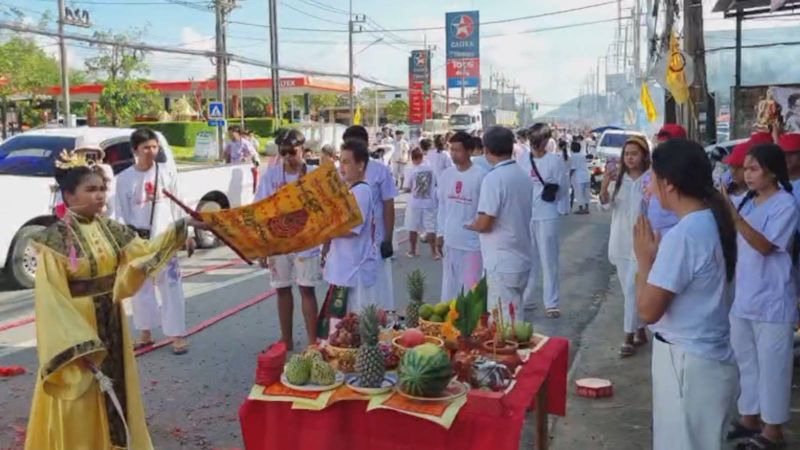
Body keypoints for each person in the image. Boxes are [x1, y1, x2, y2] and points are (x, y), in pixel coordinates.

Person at [25, 147, 206, 450]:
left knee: (116, 391)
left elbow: (144, 251)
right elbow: (50, 299)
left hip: (111, 319)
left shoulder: (110, 229)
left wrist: (182, 227)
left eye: (102, 189)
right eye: (90, 189)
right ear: (68, 196)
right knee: (80, 400)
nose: (99, 195)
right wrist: (76, 344)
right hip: (77, 332)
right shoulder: (54, 240)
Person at [633, 138, 739, 450]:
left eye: (652, 179)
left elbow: (648, 310)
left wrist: (644, 260)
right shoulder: (711, 221)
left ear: (669, 184)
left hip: (688, 363)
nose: (649, 188)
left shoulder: (686, 234)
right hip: (703, 358)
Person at [725, 143, 798, 450]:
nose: (747, 174)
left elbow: (765, 245)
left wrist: (734, 217)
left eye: (753, 169)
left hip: (772, 300)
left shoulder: (785, 205)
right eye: (746, 168)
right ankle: (749, 417)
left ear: (771, 171)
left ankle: (773, 430)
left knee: (773, 366)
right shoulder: (749, 202)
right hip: (745, 296)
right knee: (747, 361)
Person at [115, 128, 192, 355]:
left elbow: (179, 205)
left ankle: (177, 335)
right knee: (141, 290)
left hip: (165, 239)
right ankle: (145, 332)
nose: (151, 151)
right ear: (134, 150)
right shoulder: (124, 179)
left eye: (154, 147)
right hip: (138, 243)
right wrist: (125, 243)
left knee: (170, 287)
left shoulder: (166, 174)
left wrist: (183, 235)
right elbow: (121, 213)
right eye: (146, 147)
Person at [254, 129, 320, 350]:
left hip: (306, 241)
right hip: (279, 242)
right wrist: (262, 247)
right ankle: (287, 340)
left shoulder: (314, 175)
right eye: (283, 153)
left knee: (306, 289)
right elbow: (260, 211)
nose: (288, 157)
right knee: (282, 289)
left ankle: (313, 342)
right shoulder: (271, 176)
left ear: (303, 150)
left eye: (292, 152)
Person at [466, 126, 533, 320]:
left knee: (503, 323)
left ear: (486, 150)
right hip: (521, 255)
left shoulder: (494, 179)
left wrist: (472, 225)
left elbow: (485, 222)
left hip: (502, 261)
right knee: (515, 315)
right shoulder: (522, 175)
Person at [600, 136, 650, 357]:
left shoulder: (650, 180)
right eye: (627, 154)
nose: (630, 158)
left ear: (644, 156)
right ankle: (640, 328)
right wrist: (604, 185)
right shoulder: (618, 179)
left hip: (642, 242)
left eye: (634, 153)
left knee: (632, 289)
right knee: (628, 289)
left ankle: (628, 336)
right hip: (620, 242)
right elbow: (605, 205)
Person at [342, 125, 397, 311]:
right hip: (348, 243)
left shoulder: (380, 171)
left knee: (377, 288)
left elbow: (388, 205)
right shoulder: (341, 171)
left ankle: (380, 327)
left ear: (366, 145)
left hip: (375, 240)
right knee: (351, 295)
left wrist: (388, 239)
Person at [322, 138, 379, 313]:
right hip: (344, 270)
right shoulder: (351, 190)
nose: (342, 167)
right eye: (341, 161)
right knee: (340, 327)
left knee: (353, 325)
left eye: (347, 162)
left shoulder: (361, 191)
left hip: (353, 272)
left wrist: (323, 229)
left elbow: (351, 229)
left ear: (360, 165)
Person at [518, 123, 567, 317]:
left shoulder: (555, 162)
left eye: (539, 141)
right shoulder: (522, 159)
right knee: (527, 259)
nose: (536, 144)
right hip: (527, 215)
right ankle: (526, 298)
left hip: (547, 215)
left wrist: (551, 198)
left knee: (549, 260)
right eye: (533, 141)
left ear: (547, 141)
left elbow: (563, 189)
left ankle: (551, 303)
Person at [437, 132, 487, 301]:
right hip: (450, 242)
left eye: (457, 150)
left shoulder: (481, 176)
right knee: (449, 290)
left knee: (470, 292)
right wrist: (440, 234)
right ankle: (448, 326)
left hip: (472, 244)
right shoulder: (446, 175)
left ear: (469, 151)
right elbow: (442, 207)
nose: (453, 154)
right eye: (451, 150)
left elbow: (485, 211)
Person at [642, 123, 687, 238]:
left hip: (676, 233)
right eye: (659, 145)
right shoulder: (652, 172)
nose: (662, 151)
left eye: (666, 146)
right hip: (655, 234)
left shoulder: (687, 173)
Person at [402, 148, 439, 259]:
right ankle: (434, 253)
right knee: (431, 228)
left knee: (413, 228)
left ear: (412, 158)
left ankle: (413, 251)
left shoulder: (410, 169)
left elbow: (406, 187)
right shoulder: (432, 168)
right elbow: (437, 183)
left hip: (415, 203)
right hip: (429, 202)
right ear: (422, 157)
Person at [570, 140, 591, 214]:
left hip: (579, 177)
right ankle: (587, 207)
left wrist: (568, 177)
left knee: (579, 193)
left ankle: (581, 208)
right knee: (586, 193)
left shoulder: (573, 156)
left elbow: (573, 168)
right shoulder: (582, 155)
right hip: (586, 175)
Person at [556, 139, 572, 215]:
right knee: (566, 194)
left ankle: (561, 210)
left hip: (559, 176)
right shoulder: (568, 155)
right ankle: (566, 209)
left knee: (560, 193)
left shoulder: (558, 155)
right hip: (566, 175)